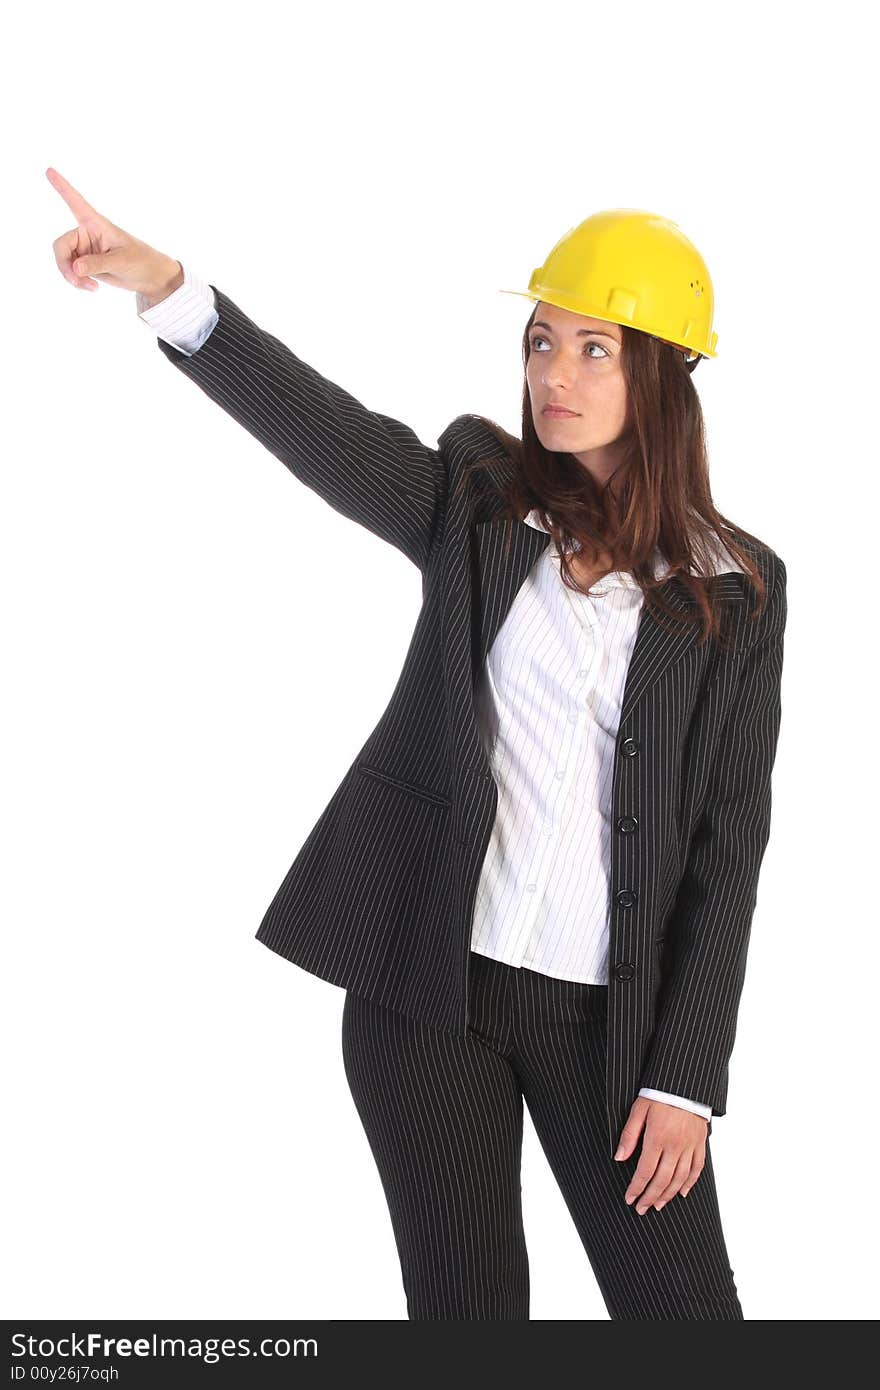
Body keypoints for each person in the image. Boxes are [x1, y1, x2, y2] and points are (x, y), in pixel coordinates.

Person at [48, 170, 787, 1320]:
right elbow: (327, 434)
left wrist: (685, 1075)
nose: (554, 373)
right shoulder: (480, 502)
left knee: (689, 1320)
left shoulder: (737, 589)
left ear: (664, 374)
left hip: (610, 1022)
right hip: (426, 995)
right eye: (542, 340)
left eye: (596, 348)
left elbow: (726, 846)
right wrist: (171, 293)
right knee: (467, 1315)